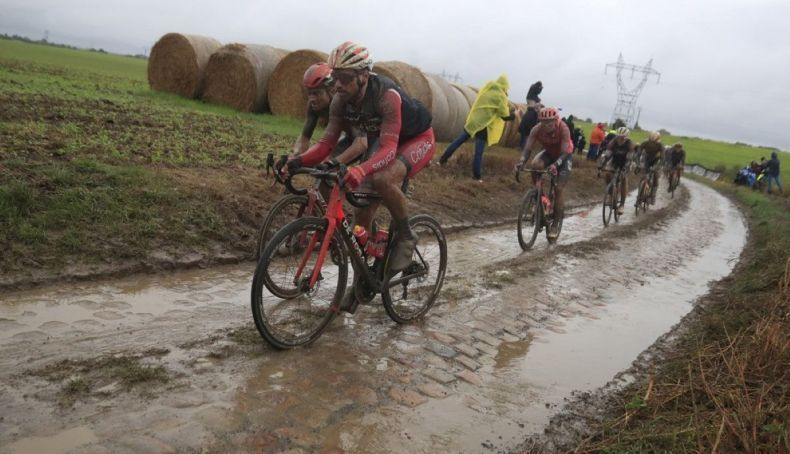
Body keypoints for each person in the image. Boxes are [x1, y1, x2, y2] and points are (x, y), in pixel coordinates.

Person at [282, 41, 434, 285]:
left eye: (345, 77)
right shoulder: (340, 100)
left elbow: (388, 150)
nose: (338, 84)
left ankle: (406, 235)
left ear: (363, 76)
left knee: (382, 179)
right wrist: (296, 161)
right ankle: (362, 283)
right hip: (383, 139)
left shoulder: (387, 95)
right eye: (335, 77)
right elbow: (326, 144)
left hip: (416, 139)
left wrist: (361, 168)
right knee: (361, 213)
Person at [438, 75, 516, 182]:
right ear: (505, 86)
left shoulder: (487, 89)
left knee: (458, 141)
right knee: (478, 152)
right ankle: (477, 176)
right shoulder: (501, 96)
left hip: (473, 120)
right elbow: (504, 115)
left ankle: (442, 160)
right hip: (483, 125)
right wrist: (515, 115)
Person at [514, 106, 573, 239]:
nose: (546, 125)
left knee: (558, 189)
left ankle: (555, 224)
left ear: (556, 120)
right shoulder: (536, 129)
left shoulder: (563, 128)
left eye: (550, 122)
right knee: (535, 165)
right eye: (543, 122)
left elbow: (564, 152)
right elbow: (527, 149)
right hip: (549, 153)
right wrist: (521, 162)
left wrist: (556, 165)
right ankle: (542, 197)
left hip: (564, 157)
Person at [598, 127, 635, 215]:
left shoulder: (630, 145)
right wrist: (601, 166)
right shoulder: (612, 142)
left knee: (623, 179)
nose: (620, 139)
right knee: (607, 174)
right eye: (618, 137)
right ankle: (611, 194)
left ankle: (622, 204)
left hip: (626, 162)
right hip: (615, 161)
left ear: (626, 138)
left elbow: (629, 160)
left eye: (622, 138)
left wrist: (625, 169)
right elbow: (607, 156)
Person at [637, 131, 664, 204]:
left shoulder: (660, 145)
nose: (652, 143)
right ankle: (640, 193)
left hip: (656, 160)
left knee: (655, 175)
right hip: (647, 159)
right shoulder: (645, 142)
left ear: (657, 140)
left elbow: (662, 158)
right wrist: (638, 163)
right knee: (643, 175)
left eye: (654, 142)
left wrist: (657, 166)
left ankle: (653, 195)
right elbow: (639, 152)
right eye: (651, 142)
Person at [518, 81, 543, 149]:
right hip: (532, 114)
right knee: (528, 130)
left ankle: (522, 145)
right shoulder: (535, 98)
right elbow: (536, 108)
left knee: (525, 129)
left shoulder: (530, 95)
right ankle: (524, 146)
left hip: (529, 113)